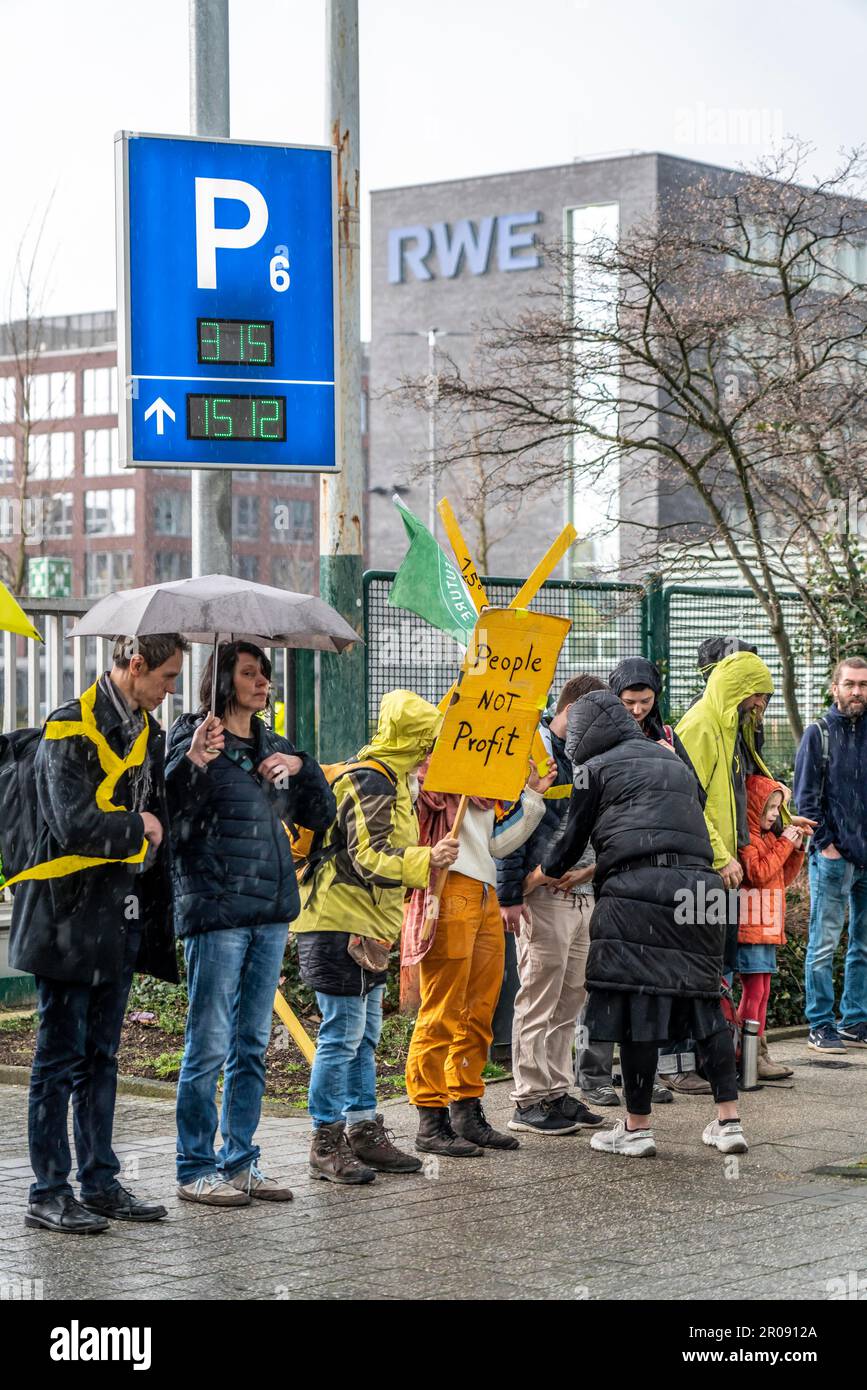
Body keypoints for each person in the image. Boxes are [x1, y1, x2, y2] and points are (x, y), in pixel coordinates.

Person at [10, 634, 187, 1233]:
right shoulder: (68, 728)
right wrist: (138, 825)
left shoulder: (148, 731)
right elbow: (72, 825)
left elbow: (164, 814)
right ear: (134, 666)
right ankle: (47, 1191)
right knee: (57, 1060)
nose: (170, 691)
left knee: (102, 1057)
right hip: (64, 919)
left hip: (119, 916)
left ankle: (100, 1181)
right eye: (165, 677)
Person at [543, 689, 748, 1158]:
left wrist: (543, 874)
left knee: (641, 1011)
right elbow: (678, 822)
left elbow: (573, 838)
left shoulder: (594, 769)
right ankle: (729, 1122)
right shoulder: (670, 758)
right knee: (704, 1001)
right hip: (700, 889)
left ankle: (636, 1129)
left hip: (637, 894)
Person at [166, 642, 335, 1207]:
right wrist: (194, 760)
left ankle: (241, 1161)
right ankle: (195, 1167)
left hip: (268, 911)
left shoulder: (275, 746)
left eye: (264, 673)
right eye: (249, 673)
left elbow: (320, 817)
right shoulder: (191, 737)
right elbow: (168, 815)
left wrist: (303, 768)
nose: (263, 682)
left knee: (253, 1044)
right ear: (222, 680)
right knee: (208, 1043)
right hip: (215, 911)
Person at [295, 690, 459, 1184]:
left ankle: (362, 1130)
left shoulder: (387, 777)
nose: (433, 750)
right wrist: (425, 859)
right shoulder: (373, 781)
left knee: (361, 1036)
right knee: (343, 1035)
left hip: (361, 925)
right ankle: (327, 1141)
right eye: (428, 740)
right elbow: (369, 857)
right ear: (414, 739)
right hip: (340, 923)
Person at [404, 747, 558, 1152]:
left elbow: (500, 844)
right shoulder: (427, 774)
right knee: (442, 1008)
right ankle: (430, 1118)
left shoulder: (485, 781)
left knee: (479, 1009)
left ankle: (465, 1107)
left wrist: (532, 796)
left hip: (485, 891)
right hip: (449, 887)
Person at [659, 650, 782, 1095]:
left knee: (719, 968)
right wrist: (719, 854)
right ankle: (675, 1063)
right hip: (700, 869)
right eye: (760, 698)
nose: (762, 708)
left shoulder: (729, 728)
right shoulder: (702, 727)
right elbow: (689, 800)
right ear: (741, 692)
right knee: (695, 967)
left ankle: (708, 1059)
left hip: (719, 872)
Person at [493, 675, 606, 1134]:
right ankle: (527, 1099)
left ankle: (557, 1091)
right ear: (571, 708)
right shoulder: (531, 748)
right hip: (541, 893)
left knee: (569, 998)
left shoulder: (584, 753)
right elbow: (508, 818)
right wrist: (510, 894)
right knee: (538, 996)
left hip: (581, 894)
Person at [793, 656, 867, 1053]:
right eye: (850, 684)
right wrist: (828, 846)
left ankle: (856, 1020)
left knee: (863, 945)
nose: (858, 691)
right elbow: (804, 800)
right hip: (833, 859)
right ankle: (820, 1023)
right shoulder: (818, 734)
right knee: (824, 943)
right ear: (834, 687)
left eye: (864, 685)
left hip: (866, 858)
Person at [737, 775, 806, 1079]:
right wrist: (784, 843)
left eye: (779, 807)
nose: (776, 813)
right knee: (754, 992)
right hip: (751, 928)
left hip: (766, 927)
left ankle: (758, 1050)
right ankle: (745, 1052)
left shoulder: (768, 839)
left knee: (763, 991)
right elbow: (760, 873)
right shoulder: (749, 840)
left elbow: (781, 878)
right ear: (754, 807)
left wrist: (797, 849)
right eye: (771, 807)